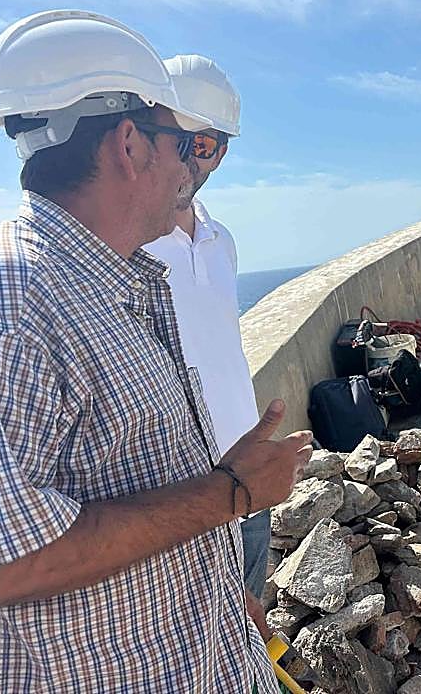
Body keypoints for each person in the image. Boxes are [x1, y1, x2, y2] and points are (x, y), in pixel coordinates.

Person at [0, 10, 311, 691]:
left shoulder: (109, 278)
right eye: (180, 144)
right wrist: (232, 492)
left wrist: (222, 598)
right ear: (129, 144)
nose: (188, 167)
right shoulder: (8, 303)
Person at [142, 54, 271, 635]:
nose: (189, 160)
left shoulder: (222, 241)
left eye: (205, 145)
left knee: (247, 635)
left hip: (248, 473)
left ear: (221, 152)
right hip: (182, 496)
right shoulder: (126, 251)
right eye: (178, 139)